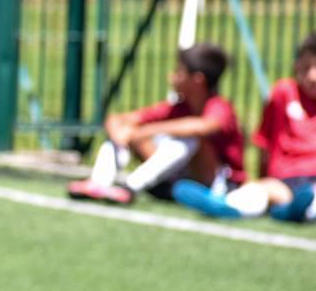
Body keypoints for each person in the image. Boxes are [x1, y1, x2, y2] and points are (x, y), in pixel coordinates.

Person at [67, 43, 244, 205]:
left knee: (191, 137)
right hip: (179, 179)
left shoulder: (220, 107)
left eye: (179, 71)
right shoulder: (177, 108)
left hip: (217, 186)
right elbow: (117, 119)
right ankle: (98, 183)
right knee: (128, 131)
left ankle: (129, 187)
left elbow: (204, 126)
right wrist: (121, 135)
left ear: (197, 80)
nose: (172, 76)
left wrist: (145, 131)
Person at [173, 33, 316, 221]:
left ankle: (291, 211)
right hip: (285, 178)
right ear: (296, 66)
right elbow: (265, 142)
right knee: (260, 191)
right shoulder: (284, 92)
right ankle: (225, 205)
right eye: (306, 68)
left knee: (310, 197)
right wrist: (261, 177)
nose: (313, 76)